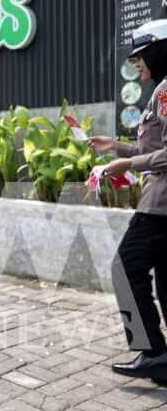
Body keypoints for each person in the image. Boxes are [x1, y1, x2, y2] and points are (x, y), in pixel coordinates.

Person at [89, 19, 167, 383]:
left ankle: (152, 351)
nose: (137, 64)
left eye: (142, 56)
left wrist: (126, 162)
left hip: (160, 205)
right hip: (159, 203)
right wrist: (115, 146)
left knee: (125, 268)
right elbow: (153, 148)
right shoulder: (161, 91)